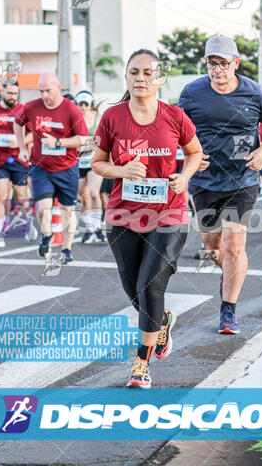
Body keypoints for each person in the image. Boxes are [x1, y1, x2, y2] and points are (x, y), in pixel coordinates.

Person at [91, 49, 202, 388]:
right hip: (123, 215)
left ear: (159, 79)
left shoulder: (175, 117)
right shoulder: (112, 117)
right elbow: (97, 163)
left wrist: (184, 177)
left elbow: (194, 152)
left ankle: (141, 362)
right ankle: (161, 322)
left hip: (169, 212)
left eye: (148, 73)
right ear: (126, 77)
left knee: (150, 285)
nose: (141, 78)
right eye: (134, 72)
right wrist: (122, 170)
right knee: (133, 289)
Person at [178, 35, 262, 335]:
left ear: (235, 63)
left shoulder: (255, 92)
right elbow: (176, 128)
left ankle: (228, 310)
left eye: (223, 64)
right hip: (205, 181)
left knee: (234, 245)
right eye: (212, 63)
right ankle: (228, 274)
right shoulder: (191, 93)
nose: (217, 70)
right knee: (212, 246)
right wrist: (190, 156)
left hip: (243, 179)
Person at [14, 73, 88, 263]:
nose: (45, 95)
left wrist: (58, 142)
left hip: (67, 168)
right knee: (42, 209)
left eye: (48, 90)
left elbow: (84, 140)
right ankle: (47, 235)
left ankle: (66, 249)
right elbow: (17, 122)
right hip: (41, 168)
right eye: (41, 91)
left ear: (58, 87)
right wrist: (22, 147)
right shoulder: (32, 107)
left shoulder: (72, 110)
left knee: (67, 210)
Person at [0, 80, 35, 248]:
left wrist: (18, 141)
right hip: (0, 160)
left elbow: (33, 134)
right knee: (0, 194)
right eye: (9, 93)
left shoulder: (24, 110)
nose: (13, 97)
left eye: (15, 94)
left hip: (19, 159)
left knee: (21, 197)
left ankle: (29, 221)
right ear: (2, 92)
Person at [75, 90, 105, 243]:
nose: (83, 107)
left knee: (94, 193)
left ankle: (98, 226)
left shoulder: (97, 119)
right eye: (80, 103)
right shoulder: (73, 119)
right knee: (83, 197)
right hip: (79, 161)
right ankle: (88, 228)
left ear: (90, 104)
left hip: (93, 160)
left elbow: (105, 139)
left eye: (86, 103)